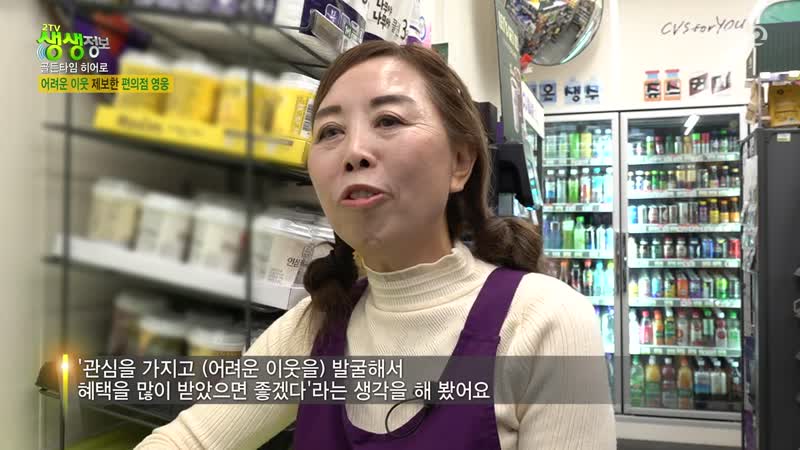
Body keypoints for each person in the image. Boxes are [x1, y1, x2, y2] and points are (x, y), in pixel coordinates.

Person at [135, 41, 615, 450]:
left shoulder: (543, 322)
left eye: (388, 120)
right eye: (330, 132)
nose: (354, 152)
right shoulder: (317, 325)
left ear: (460, 162)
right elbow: (188, 440)